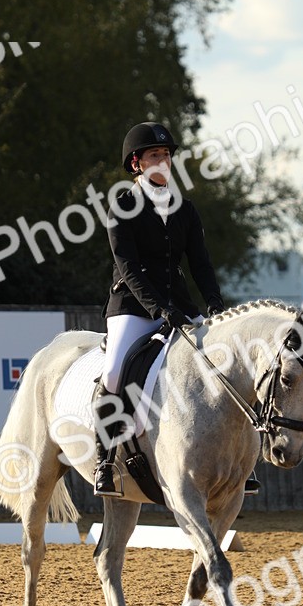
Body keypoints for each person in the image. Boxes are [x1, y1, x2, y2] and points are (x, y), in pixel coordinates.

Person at [93, 121, 260, 498]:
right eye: (155, 155)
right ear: (136, 163)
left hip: (179, 304)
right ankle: (105, 459)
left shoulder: (184, 209)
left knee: (222, 362)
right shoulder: (122, 206)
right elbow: (129, 267)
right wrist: (157, 308)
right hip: (133, 305)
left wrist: (214, 301)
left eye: (166, 155)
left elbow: (200, 262)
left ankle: (240, 460)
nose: (163, 161)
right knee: (115, 372)